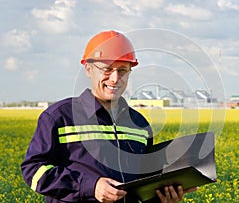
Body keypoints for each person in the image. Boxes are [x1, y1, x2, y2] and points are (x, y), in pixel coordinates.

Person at [21, 30, 195, 202]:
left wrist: (162, 197)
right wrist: (91, 186)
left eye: (122, 70)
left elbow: (140, 187)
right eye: (107, 69)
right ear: (88, 69)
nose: (115, 78)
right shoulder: (60, 117)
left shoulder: (139, 124)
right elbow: (33, 171)